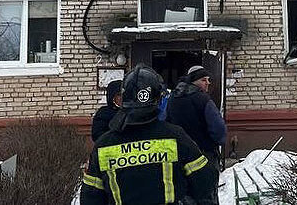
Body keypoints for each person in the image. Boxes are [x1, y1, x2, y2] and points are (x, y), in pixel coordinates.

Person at [81, 64, 217, 205]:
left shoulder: (103, 145)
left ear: (124, 98)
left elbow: (90, 198)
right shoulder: (175, 136)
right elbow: (205, 182)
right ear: (158, 99)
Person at [165, 65, 227, 204]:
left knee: (184, 194)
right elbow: (219, 130)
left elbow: (165, 123)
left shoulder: (172, 99)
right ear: (193, 81)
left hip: (178, 156)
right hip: (205, 156)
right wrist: (216, 142)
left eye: (208, 79)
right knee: (207, 193)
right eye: (204, 80)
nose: (208, 83)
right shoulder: (203, 100)